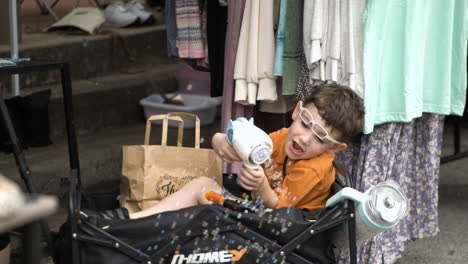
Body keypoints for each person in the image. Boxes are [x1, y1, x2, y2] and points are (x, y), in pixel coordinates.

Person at [129, 83, 364, 219]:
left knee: (204, 190)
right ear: (297, 111)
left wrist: (261, 186)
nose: (304, 138)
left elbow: (279, 210)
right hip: (261, 211)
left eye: (319, 139)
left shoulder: (315, 168)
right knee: (202, 185)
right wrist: (221, 140)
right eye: (304, 123)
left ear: (334, 148)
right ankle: (136, 220)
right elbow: (244, 143)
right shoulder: (283, 137)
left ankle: (135, 223)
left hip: (283, 229)